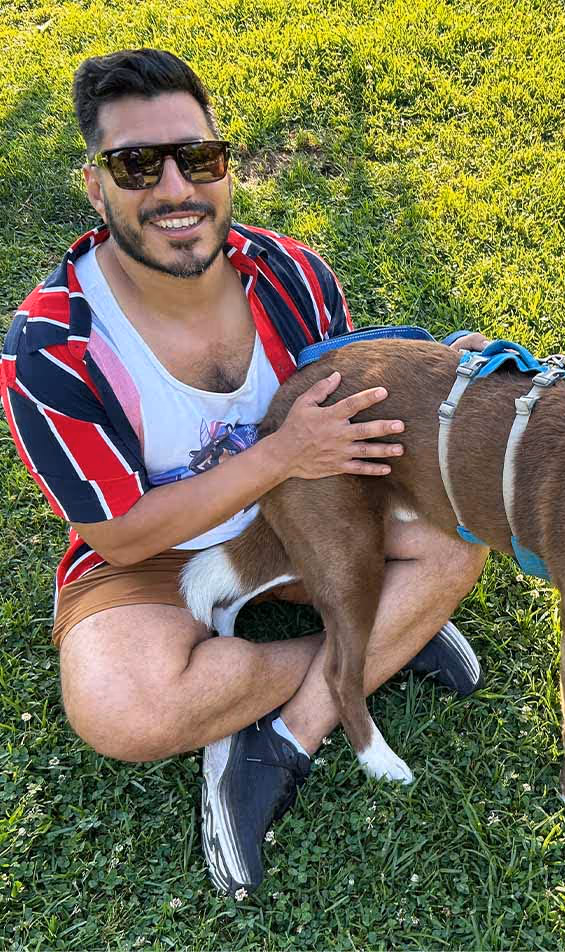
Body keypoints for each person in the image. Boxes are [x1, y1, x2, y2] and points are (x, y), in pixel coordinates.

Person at [0, 48, 490, 896]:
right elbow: (119, 534)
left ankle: (288, 734)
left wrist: (437, 372)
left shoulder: (292, 272)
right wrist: (278, 455)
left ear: (224, 166)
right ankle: (374, 642)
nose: (175, 190)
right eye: (136, 165)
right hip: (154, 555)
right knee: (125, 708)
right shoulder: (50, 350)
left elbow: (350, 396)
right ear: (95, 187)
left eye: (198, 158)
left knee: (460, 543)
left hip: (307, 510)